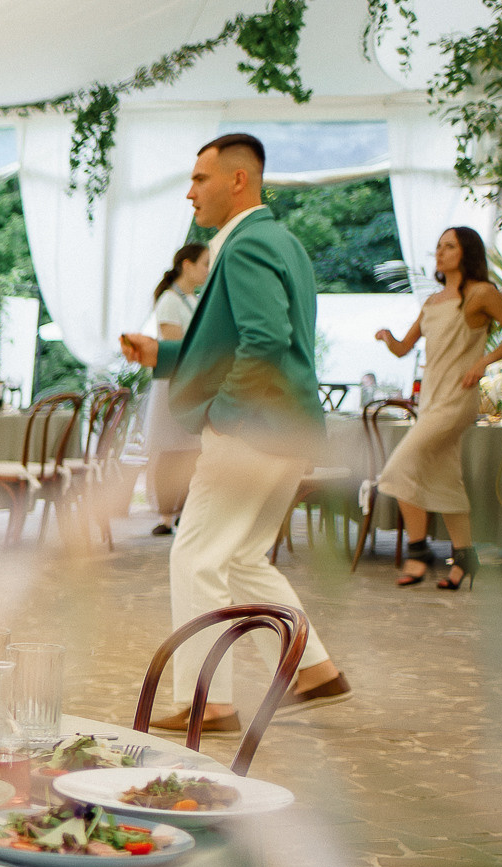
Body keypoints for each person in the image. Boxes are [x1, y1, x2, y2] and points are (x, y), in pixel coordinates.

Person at [119, 133, 348, 732]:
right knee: (243, 556)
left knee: (194, 556)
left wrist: (222, 414)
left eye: (199, 178)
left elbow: (266, 342)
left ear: (237, 180)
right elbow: (256, 339)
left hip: (250, 427)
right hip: (290, 428)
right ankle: (316, 669)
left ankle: (208, 702)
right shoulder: (283, 241)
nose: (190, 192)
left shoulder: (244, 245)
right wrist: (165, 356)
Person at [371, 226, 502, 589]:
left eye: (449, 246)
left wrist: (483, 361)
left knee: (397, 470)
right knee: (445, 479)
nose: (440, 253)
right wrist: (386, 337)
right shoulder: (432, 302)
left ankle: (418, 550)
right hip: (431, 399)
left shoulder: (480, 294)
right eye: (438, 246)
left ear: (466, 252)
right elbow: (402, 348)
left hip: (457, 398)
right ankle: (465, 559)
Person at [144, 243, 208, 537]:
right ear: (187, 265)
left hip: (193, 384)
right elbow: (175, 348)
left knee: (191, 450)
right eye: (204, 263)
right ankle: (166, 515)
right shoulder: (170, 300)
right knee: (171, 450)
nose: (208, 270)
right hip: (174, 383)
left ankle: (184, 510)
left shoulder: (194, 300)